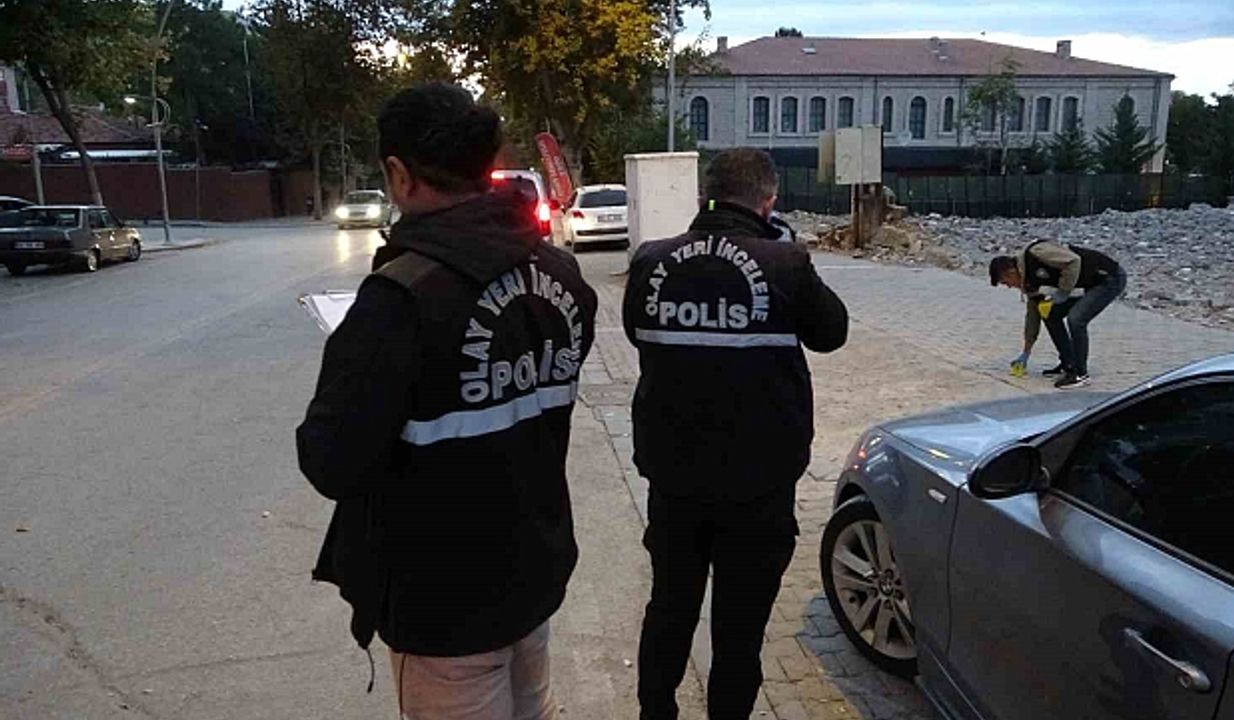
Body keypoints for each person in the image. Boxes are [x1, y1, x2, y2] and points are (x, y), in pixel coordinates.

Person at [296, 82, 597, 720]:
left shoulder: (398, 301)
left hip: (444, 606)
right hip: (535, 570)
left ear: (399, 174)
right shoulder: (562, 277)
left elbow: (330, 462)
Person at [623, 148, 849, 720]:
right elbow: (831, 333)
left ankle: (655, 713)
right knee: (739, 629)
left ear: (705, 196)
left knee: (669, 608)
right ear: (767, 202)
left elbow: (634, 331)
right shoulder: (785, 261)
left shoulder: (651, 260)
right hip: (758, 486)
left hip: (674, 479)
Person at [990, 240, 1126, 389]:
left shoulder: (1037, 253)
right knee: (1050, 313)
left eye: (1006, 282)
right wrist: (1026, 352)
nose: (1009, 286)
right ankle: (1068, 364)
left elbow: (1073, 261)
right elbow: (1033, 317)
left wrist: (1064, 291)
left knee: (1076, 319)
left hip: (1109, 278)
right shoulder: (1028, 283)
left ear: (1011, 272)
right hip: (1088, 284)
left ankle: (1080, 374)